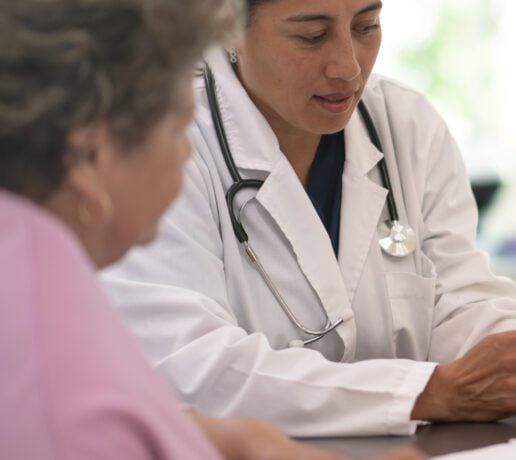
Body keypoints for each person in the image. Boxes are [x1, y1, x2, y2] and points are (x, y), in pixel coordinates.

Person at [101, 0, 516, 437]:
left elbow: (460, 300)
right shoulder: (164, 137)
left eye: (366, 25)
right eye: (311, 35)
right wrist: (428, 392)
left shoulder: (405, 126)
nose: (347, 65)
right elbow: (187, 367)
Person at [0, 0, 421, 458]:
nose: (189, 154)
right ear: (92, 155)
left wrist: (239, 442)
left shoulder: (33, 277)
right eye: (181, 124)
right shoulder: (45, 363)